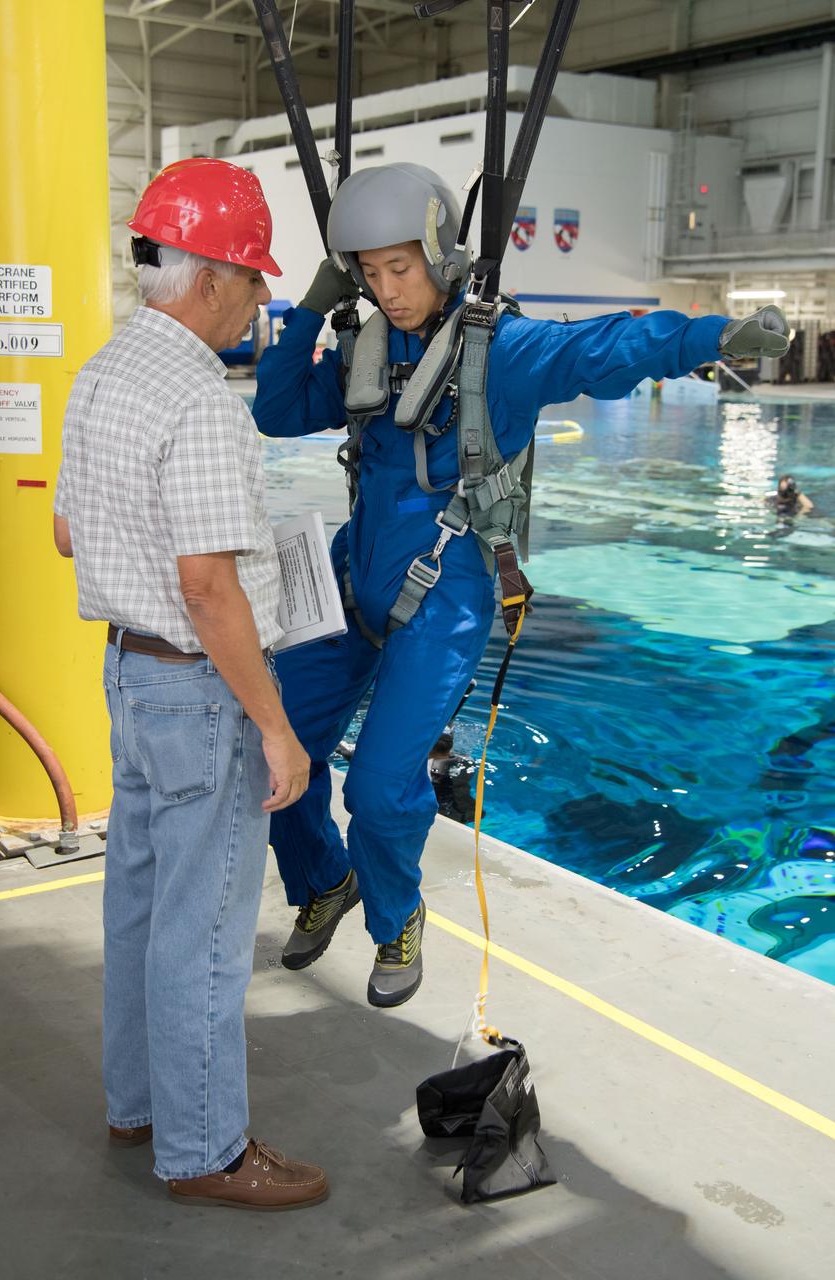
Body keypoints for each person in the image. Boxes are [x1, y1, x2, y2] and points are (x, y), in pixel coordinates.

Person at [252, 162, 791, 1009]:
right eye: (369, 271)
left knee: (379, 788)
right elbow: (276, 410)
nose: (388, 289)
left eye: (401, 267)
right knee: (275, 757)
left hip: (446, 592)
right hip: (353, 574)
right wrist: (316, 306)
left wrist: (712, 338)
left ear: (438, 253)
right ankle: (323, 880)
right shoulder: (363, 344)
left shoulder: (501, 349)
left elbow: (609, 344)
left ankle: (394, 919)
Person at [53, 158, 327, 1211]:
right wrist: (278, 728)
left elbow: (70, 527)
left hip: (127, 671)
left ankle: (137, 1102)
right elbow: (208, 587)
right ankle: (206, 1147)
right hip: (194, 685)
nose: (260, 301)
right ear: (211, 277)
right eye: (255, 280)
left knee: (135, 902)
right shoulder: (201, 400)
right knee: (204, 927)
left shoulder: (104, 371)